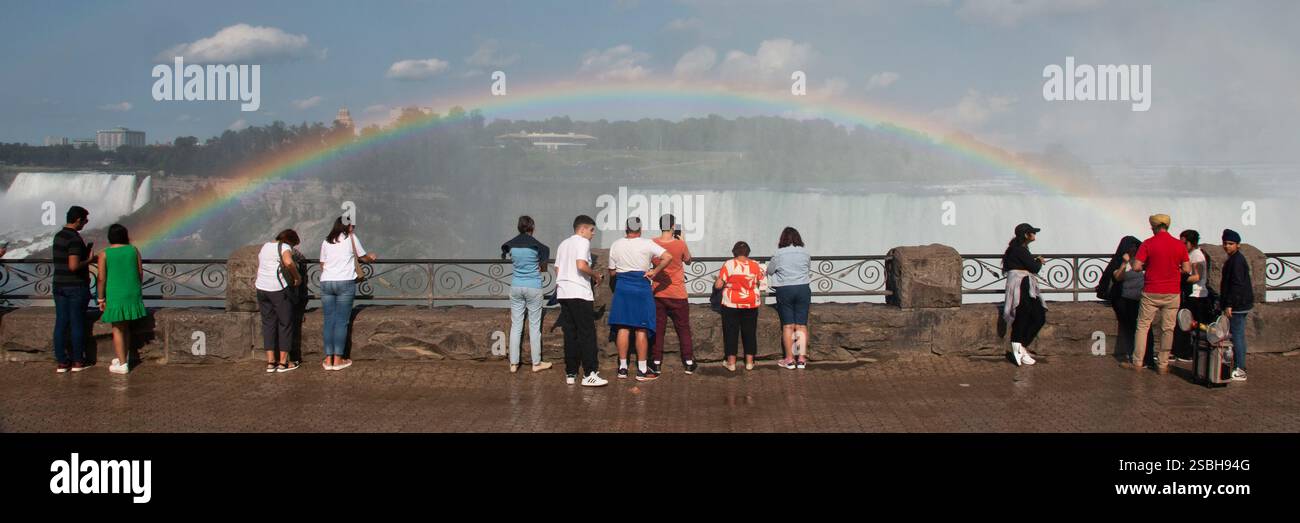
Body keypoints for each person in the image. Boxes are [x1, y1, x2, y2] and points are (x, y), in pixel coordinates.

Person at [608, 216, 673, 382]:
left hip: (623, 287)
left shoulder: (616, 245)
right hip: (641, 287)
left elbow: (612, 272)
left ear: (626, 229)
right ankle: (642, 370)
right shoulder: (647, 243)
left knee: (623, 327)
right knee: (641, 329)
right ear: (640, 229)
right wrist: (655, 271)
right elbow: (668, 257)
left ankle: (622, 368)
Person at [1126, 214, 1191, 374]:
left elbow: (1136, 267)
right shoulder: (1179, 245)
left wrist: (1145, 265)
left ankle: (1138, 362)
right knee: (1168, 329)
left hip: (1151, 291)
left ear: (1154, 227)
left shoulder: (1148, 244)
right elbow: (1187, 269)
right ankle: (1162, 365)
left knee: (1142, 326)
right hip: (1172, 292)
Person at [555, 215, 607, 387]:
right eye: (591, 230)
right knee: (587, 333)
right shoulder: (582, 242)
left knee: (570, 334)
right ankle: (590, 373)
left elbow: (557, 268)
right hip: (579, 292)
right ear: (582, 229)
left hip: (563, 292)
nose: (592, 234)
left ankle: (571, 373)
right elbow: (581, 265)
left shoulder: (563, 244)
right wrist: (595, 275)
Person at [319, 216, 376, 371]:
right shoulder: (351, 238)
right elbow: (362, 257)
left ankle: (327, 358)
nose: (354, 228)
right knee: (341, 321)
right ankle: (338, 360)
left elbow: (322, 264)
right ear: (348, 227)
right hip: (344, 282)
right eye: (353, 226)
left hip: (326, 282)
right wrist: (370, 257)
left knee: (329, 320)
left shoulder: (326, 241)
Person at [501, 215, 552, 373]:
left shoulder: (512, 245)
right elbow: (543, 266)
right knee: (534, 326)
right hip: (533, 287)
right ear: (532, 228)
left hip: (516, 286)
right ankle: (536, 363)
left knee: (516, 325)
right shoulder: (537, 246)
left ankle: (513, 364)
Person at [95, 224, 146, 375]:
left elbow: (101, 278)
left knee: (117, 328)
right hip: (132, 292)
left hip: (115, 294)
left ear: (110, 237)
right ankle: (123, 357)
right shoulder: (133, 250)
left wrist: (100, 299)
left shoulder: (104, 254)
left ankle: (122, 364)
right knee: (126, 327)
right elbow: (140, 273)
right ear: (125, 235)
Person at [650, 214, 696, 374]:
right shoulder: (679, 244)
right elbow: (689, 260)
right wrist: (683, 240)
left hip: (658, 293)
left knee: (658, 329)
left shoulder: (652, 243)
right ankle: (689, 362)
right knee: (683, 328)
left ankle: (656, 362)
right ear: (673, 226)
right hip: (678, 294)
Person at [51, 205, 93, 373]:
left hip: (59, 285)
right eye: (85, 220)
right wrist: (90, 260)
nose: (86, 223)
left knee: (61, 322)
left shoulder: (58, 235)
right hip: (75, 286)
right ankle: (77, 361)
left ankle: (61, 361)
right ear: (78, 220)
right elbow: (74, 266)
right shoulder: (75, 239)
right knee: (77, 323)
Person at [256, 229, 303, 373]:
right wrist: (297, 277)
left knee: (268, 324)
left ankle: (271, 362)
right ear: (290, 241)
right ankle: (283, 363)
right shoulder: (284, 247)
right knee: (285, 323)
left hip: (261, 288)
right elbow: (288, 262)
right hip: (277, 289)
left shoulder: (265, 246)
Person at [767, 226, 811, 369]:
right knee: (801, 325)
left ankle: (789, 359)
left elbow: (770, 270)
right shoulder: (805, 252)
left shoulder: (779, 254)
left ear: (783, 239)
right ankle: (802, 359)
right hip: (803, 288)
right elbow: (807, 267)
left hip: (785, 289)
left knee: (788, 325)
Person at [1002, 223, 1046, 366]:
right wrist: (1039, 261)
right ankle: (1018, 348)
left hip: (1024, 284)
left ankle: (1021, 347)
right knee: (1023, 316)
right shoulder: (1019, 250)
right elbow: (1034, 268)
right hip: (1021, 285)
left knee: (1037, 315)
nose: (1035, 234)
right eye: (1033, 232)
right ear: (1026, 235)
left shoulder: (1019, 249)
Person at [715, 241, 764, 371]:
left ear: (734, 252)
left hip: (731, 303)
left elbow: (719, 285)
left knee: (731, 331)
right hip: (751, 303)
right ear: (748, 252)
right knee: (750, 332)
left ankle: (731, 363)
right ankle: (749, 362)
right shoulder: (755, 265)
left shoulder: (729, 264)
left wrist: (718, 282)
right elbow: (761, 281)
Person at [1105, 236, 1153, 364]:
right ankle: (1136, 356)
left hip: (1143, 299)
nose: (1133, 249)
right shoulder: (1121, 261)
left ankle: (1147, 357)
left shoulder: (1143, 261)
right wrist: (1124, 263)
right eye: (1131, 248)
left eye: (1135, 247)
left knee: (1145, 328)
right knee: (1133, 327)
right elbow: (1117, 278)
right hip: (1127, 300)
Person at [1219, 229, 1253, 382]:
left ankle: (1240, 369)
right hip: (1241, 303)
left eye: (1230, 244)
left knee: (1237, 336)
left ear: (1238, 245)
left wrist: (1230, 304)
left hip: (1238, 305)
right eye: (1225, 243)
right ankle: (1238, 366)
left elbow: (1237, 285)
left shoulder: (1237, 261)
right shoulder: (1235, 258)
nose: (1227, 246)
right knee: (1237, 335)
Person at [1172, 229, 1210, 363]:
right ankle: (1182, 351)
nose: (1182, 245)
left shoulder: (1197, 256)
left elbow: (1197, 277)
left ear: (1192, 243)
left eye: (1184, 243)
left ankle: (1187, 353)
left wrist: (1179, 278)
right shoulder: (1191, 254)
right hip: (1192, 294)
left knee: (1188, 324)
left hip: (1197, 295)